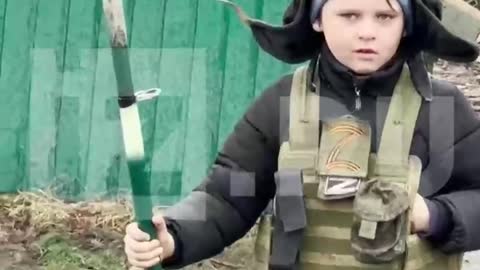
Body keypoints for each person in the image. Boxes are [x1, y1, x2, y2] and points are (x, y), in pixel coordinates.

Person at [123, 0, 480, 269]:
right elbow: (228, 197)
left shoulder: (442, 109)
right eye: (349, 15)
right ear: (317, 19)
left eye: (384, 16)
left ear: (406, 25)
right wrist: (173, 235)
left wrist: (436, 215)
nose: (367, 31)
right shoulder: (281, 104)